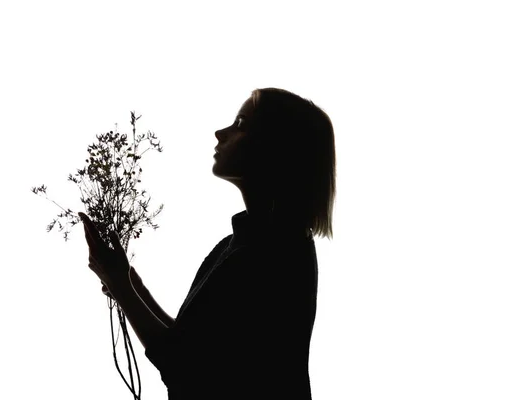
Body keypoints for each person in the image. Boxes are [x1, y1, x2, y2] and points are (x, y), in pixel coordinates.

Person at [79, 88, 336, 400]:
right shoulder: (245, 244)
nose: (220, 132)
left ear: (274, 149)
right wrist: (131, 285)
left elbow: (181, 368)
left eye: (241, 124)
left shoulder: (266, 256)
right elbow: (188, 344)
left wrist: (121, 287)